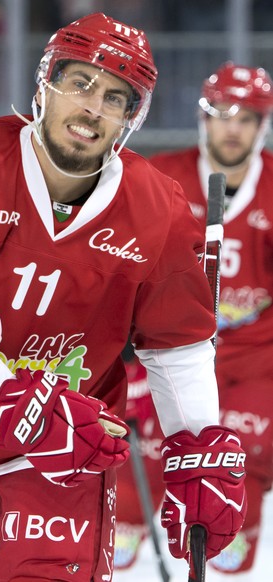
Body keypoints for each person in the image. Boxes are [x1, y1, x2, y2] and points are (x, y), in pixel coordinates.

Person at [0, 13, 248, 581]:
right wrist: (28, 409)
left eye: (115, 97)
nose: (92, 108)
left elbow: (175, 345)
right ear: (44, 85)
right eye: (79, 83)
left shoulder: (158, 209)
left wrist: (198, 447)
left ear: (131, 119)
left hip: (71, 439)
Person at [116, 61, 273, 580]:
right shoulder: (159, 176)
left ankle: (238, 509)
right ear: (204, 118)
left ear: (261, 125)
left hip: (256, 360)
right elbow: (122, 258)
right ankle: (134, 510)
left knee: (235, 457)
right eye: (223, 114)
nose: (234, 127)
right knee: (143, 442)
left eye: (247, 118)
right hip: (166, 346)